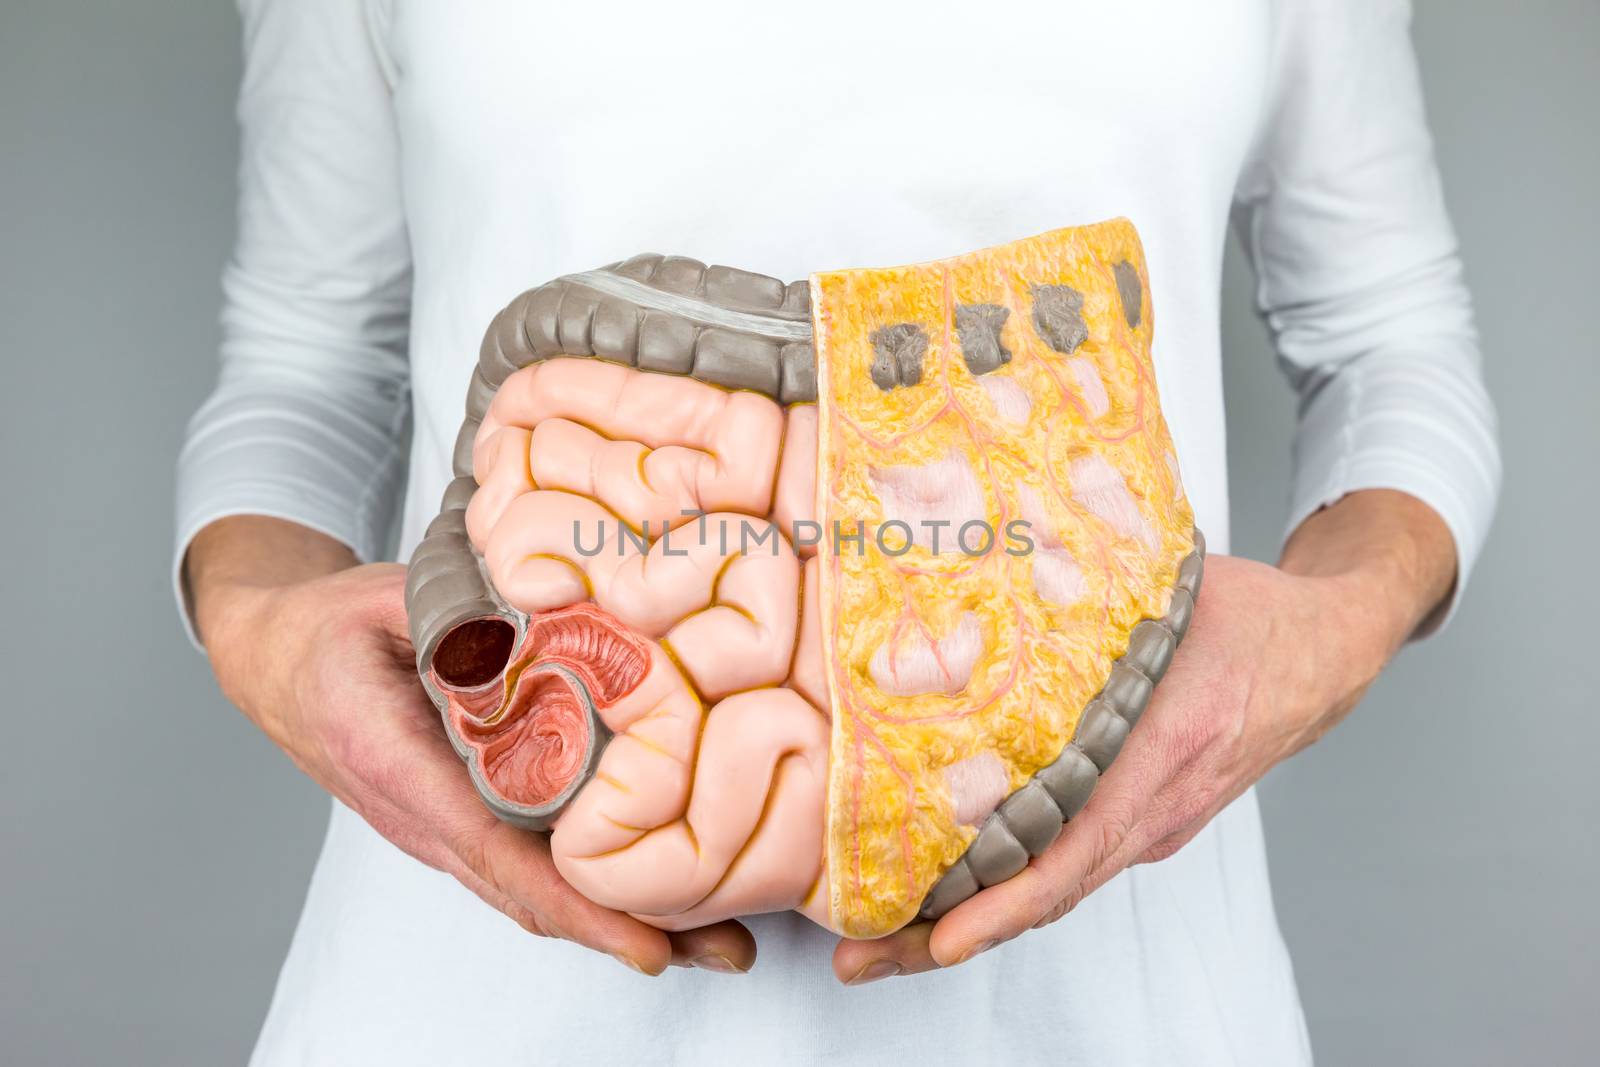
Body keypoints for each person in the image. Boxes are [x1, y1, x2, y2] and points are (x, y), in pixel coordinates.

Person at [174, 1, 1500, 1063]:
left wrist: (1335, 621)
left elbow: (1394, 341)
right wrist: (256, 625)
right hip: (476, 1003)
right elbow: (304, 363)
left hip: (1118, 1009)